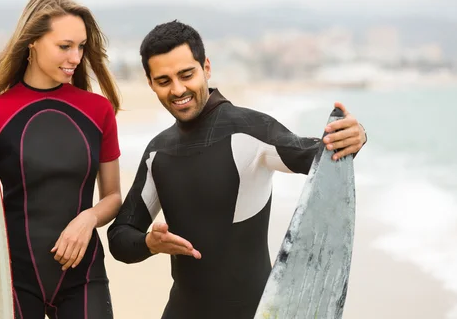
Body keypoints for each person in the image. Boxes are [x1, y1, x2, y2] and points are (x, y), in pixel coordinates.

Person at [107, 20, 367, 319]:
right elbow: (120, 237)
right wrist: (149, 243)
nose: (178, 89)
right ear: (150, 82)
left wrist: (356, 135)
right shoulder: (158, 151)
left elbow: (318, 156)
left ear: (206, 68)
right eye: (164, 80)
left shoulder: (251, 130)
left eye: (186, 74)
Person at [0, 0, 122, 319]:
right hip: (14, 275)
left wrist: (87, 219)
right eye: (64, 46)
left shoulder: (97, 110)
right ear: (32, 42)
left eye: (81, 47)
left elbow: (113, 196)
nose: (75, 57)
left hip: (83, 273)